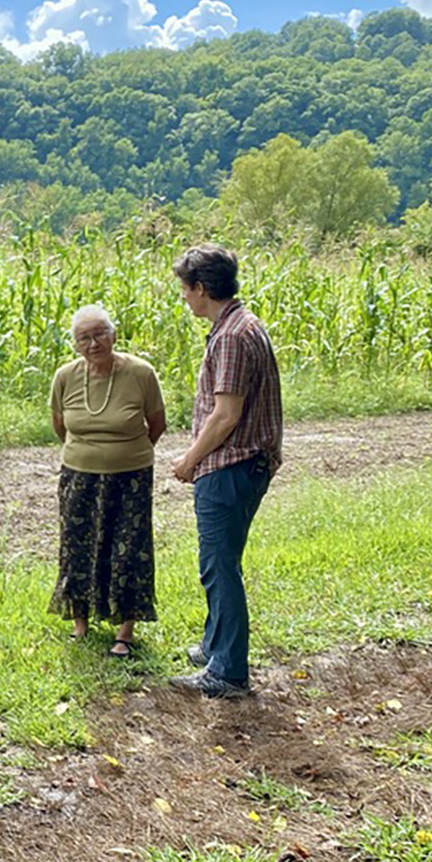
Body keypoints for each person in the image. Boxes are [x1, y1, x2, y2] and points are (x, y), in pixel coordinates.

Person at [167, 244, 283, 699]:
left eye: (185, 290)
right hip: (244, 464)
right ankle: (215, 646)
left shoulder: (233, 336)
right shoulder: (242, 323)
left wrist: (189, 459)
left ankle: (228, 671)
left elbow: (225, 415)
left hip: (230, 465)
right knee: (220, 561)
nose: (184, 298)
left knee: (219, 566)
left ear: (201, 288)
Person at [48, 304, 167, 658]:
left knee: (128, 548)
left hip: (130, 477)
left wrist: (127, 453)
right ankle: (80, 623)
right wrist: (87, 453)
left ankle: (124, 631)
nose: (93, 343)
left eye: (100, 333)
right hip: (78, 476)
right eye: (83, 337)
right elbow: (60, 425)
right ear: (75, 343)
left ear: (114, 335)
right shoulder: (65, 376)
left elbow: (156, 424)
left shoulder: (141, 373)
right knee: (76, 545)